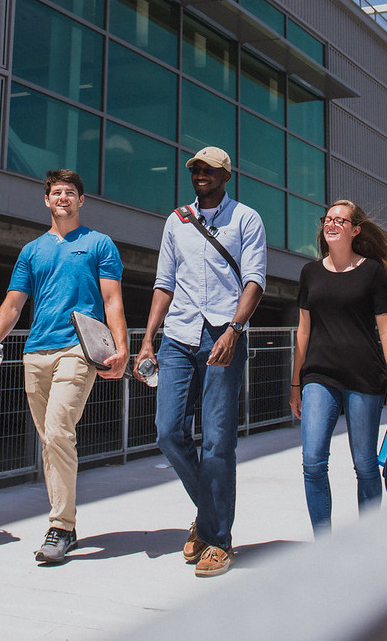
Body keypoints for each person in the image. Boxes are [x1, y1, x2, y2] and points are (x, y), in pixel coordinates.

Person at [0, 169, 128, 565]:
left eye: (71, 192)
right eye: (56, 192)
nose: (63, 197)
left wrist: (122, 348)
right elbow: (13, 304)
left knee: (59, 429)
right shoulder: (32, 250)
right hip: (35, 352)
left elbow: (112, 301)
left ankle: (59, 525)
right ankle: (68, 528)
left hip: (78, 349)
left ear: (81, 200)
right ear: (47, 200)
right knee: (51, 439)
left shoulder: (99, 244)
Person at [135, 146, 266, 577]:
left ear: (226, 175)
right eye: (196, 169)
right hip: (178, 334)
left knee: (217, 440)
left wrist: (234, 329)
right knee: (169, 432)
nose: (202, 174)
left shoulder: (246, 219)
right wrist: (148, 340)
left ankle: (219, 540)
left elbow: (254, 280)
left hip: (222, 334)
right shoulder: (177, 221)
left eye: (210, 169)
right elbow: (164, 282)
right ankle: (209, 515)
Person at [289, 200, 387, 534]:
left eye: (341, 220)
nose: (332, 223)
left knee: (365, 465)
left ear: (355, 230)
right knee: (312, 462)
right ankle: (324, 546)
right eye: (328, 219)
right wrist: (296, 383)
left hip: (364, 377)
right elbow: (304, 330)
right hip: (318, 376)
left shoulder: (372, 272)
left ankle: (365, 542)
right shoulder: (310, 272)